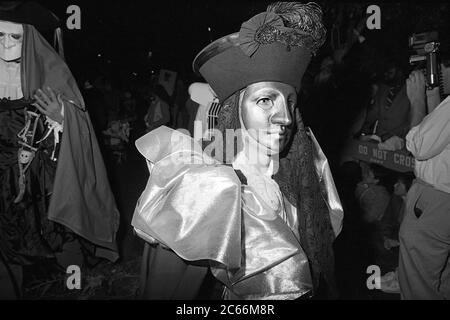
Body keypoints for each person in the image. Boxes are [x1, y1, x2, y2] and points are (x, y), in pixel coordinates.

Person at [132, 2, 343, 300]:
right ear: (236, 109)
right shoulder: (206, 185)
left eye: (291, 102)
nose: (285, 117)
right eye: (266, 100)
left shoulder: (303, 175)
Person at [0, 2, 119, 299]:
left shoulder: (49, 71)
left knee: (63, 239)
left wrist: (62, 116)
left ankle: (74, 291)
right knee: (7, 247)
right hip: (4, 180)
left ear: (28, 39)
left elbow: (79, 123)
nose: (5, 43)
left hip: (45, 179)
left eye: (14, 37)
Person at [398, 70, 450, 299]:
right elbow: (441, 139)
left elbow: (420, 146)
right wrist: (433, 99)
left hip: (435, 202)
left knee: (418, 286)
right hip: (443, 204)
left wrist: (417, 101)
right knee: (441, 283)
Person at [359, 60, 411, 150]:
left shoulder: (411, 89)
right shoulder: (383, 88)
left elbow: (411, 122)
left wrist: (391, 134)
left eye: (391, 71)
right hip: (378, 141)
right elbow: (373, 113)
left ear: (400, 71)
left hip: (400, 144)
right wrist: (361, 130)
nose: (386, 74)